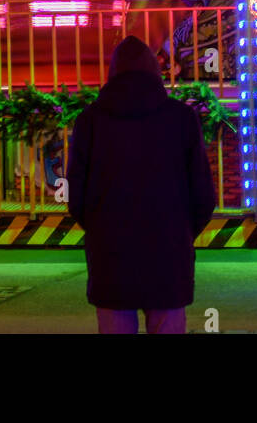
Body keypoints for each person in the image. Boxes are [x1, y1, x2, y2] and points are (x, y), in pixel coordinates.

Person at [66, 35, 216, 334]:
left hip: (110, 253)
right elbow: (203, 194)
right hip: (168, 252)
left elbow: (76, 195)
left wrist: (98, 227)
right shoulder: (182, 118)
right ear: (155, 71)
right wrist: (182, 231)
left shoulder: (90, 121)